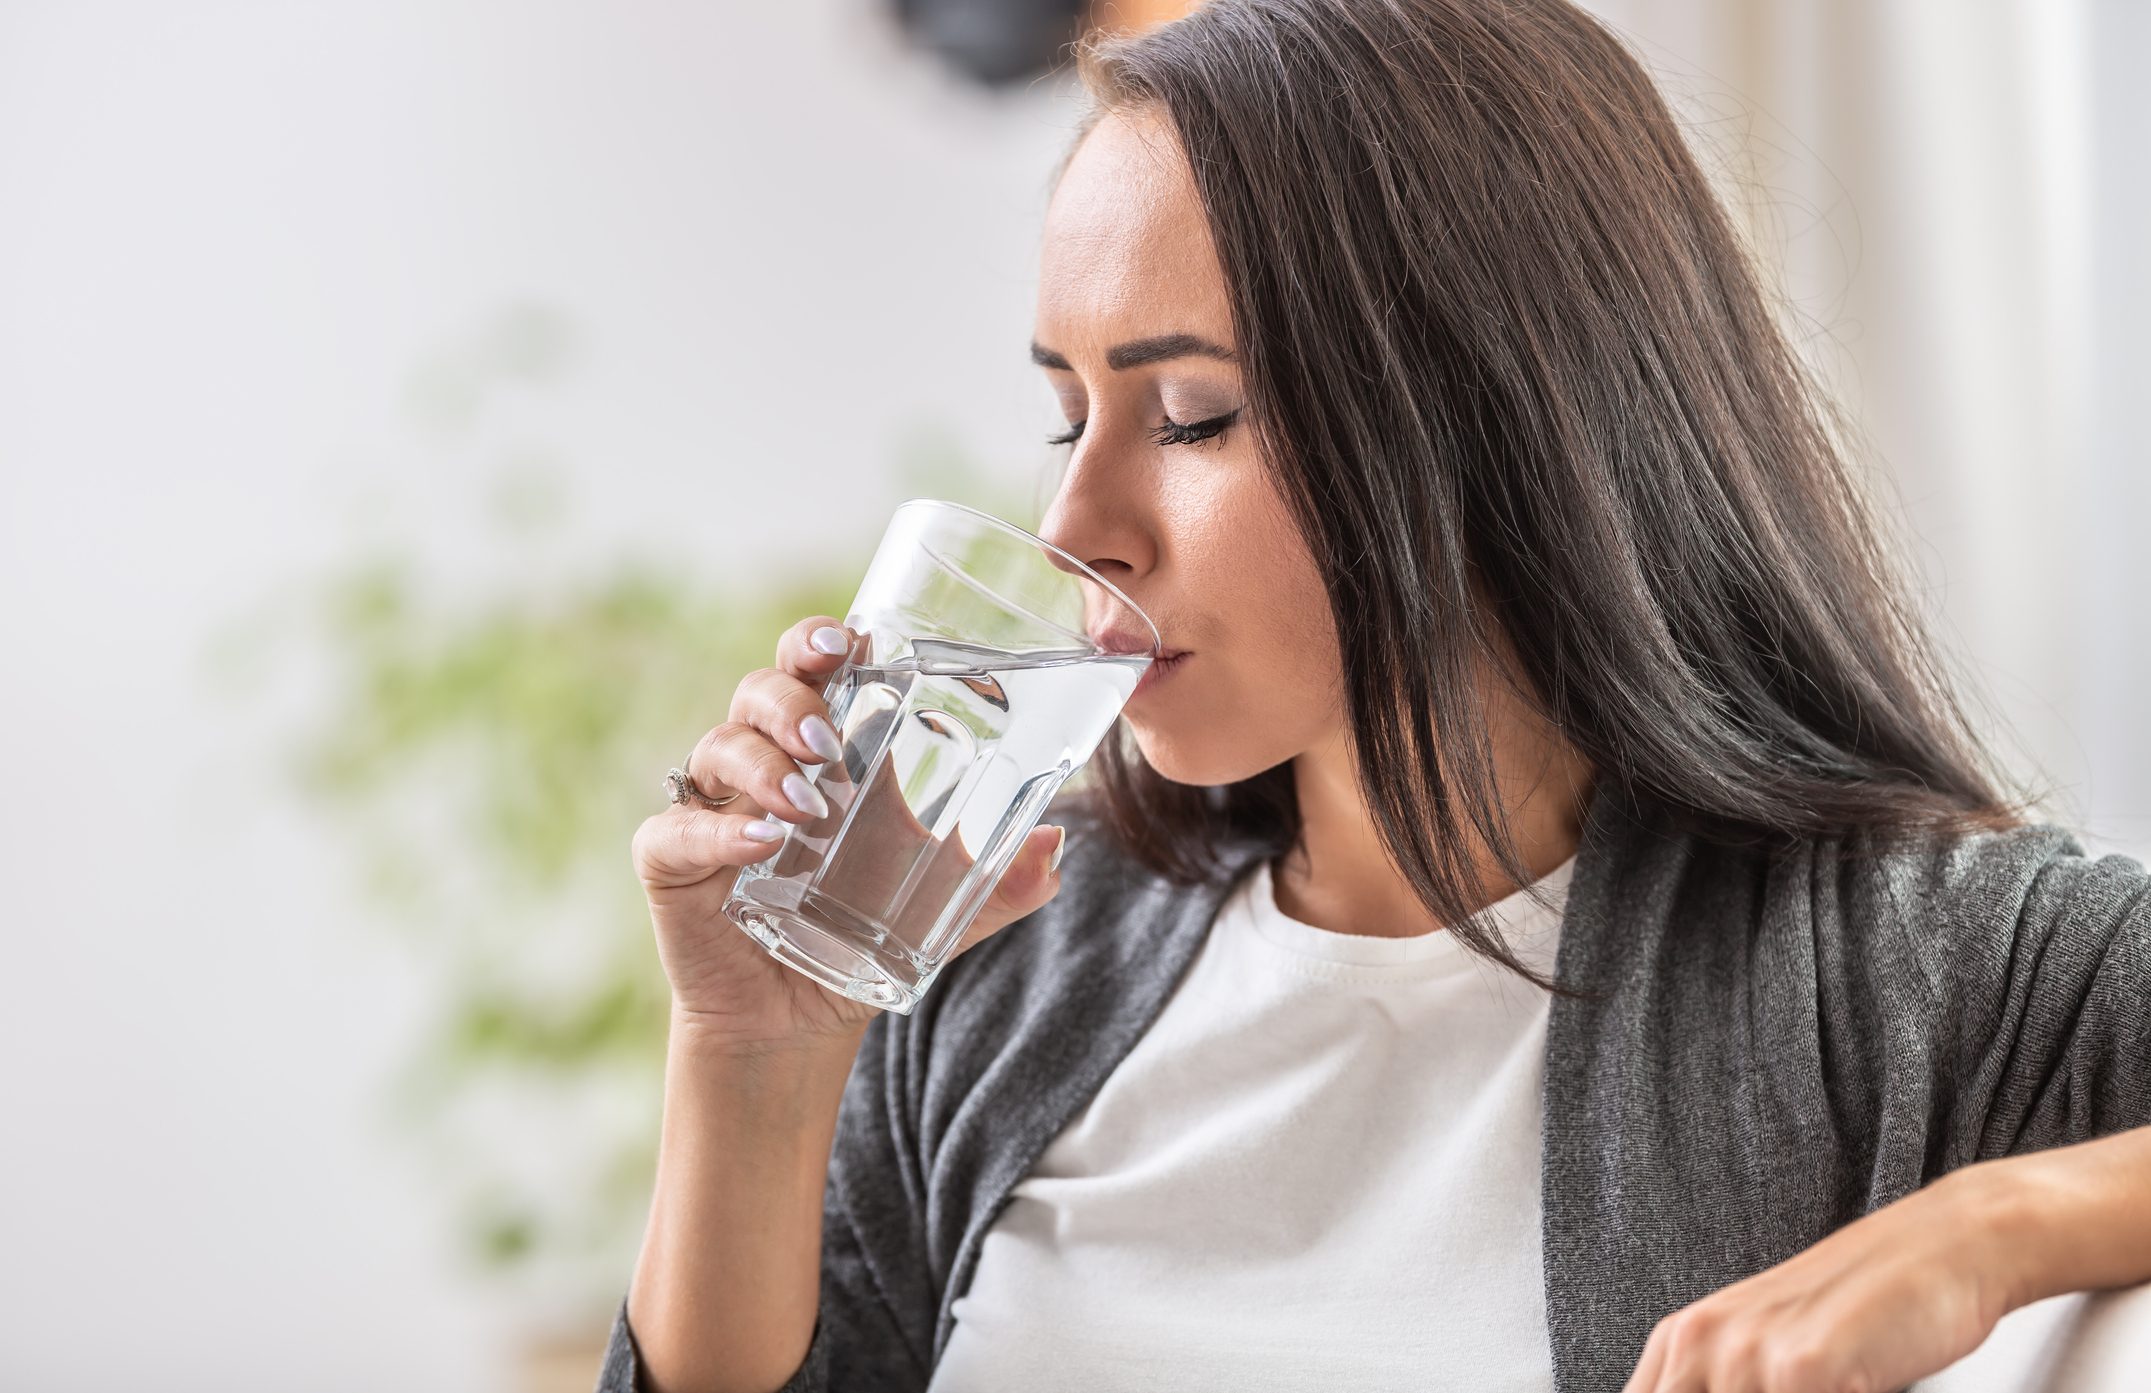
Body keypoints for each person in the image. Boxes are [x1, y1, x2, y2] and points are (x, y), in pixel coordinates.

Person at [599, 2, 2151, 1390]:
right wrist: (749, 1063)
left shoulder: (1899, 963)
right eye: (1067, 416)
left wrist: (1998, 1222)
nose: (1076, 525)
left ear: (1492, 412)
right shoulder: (1008, 964)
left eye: (1193, 415)